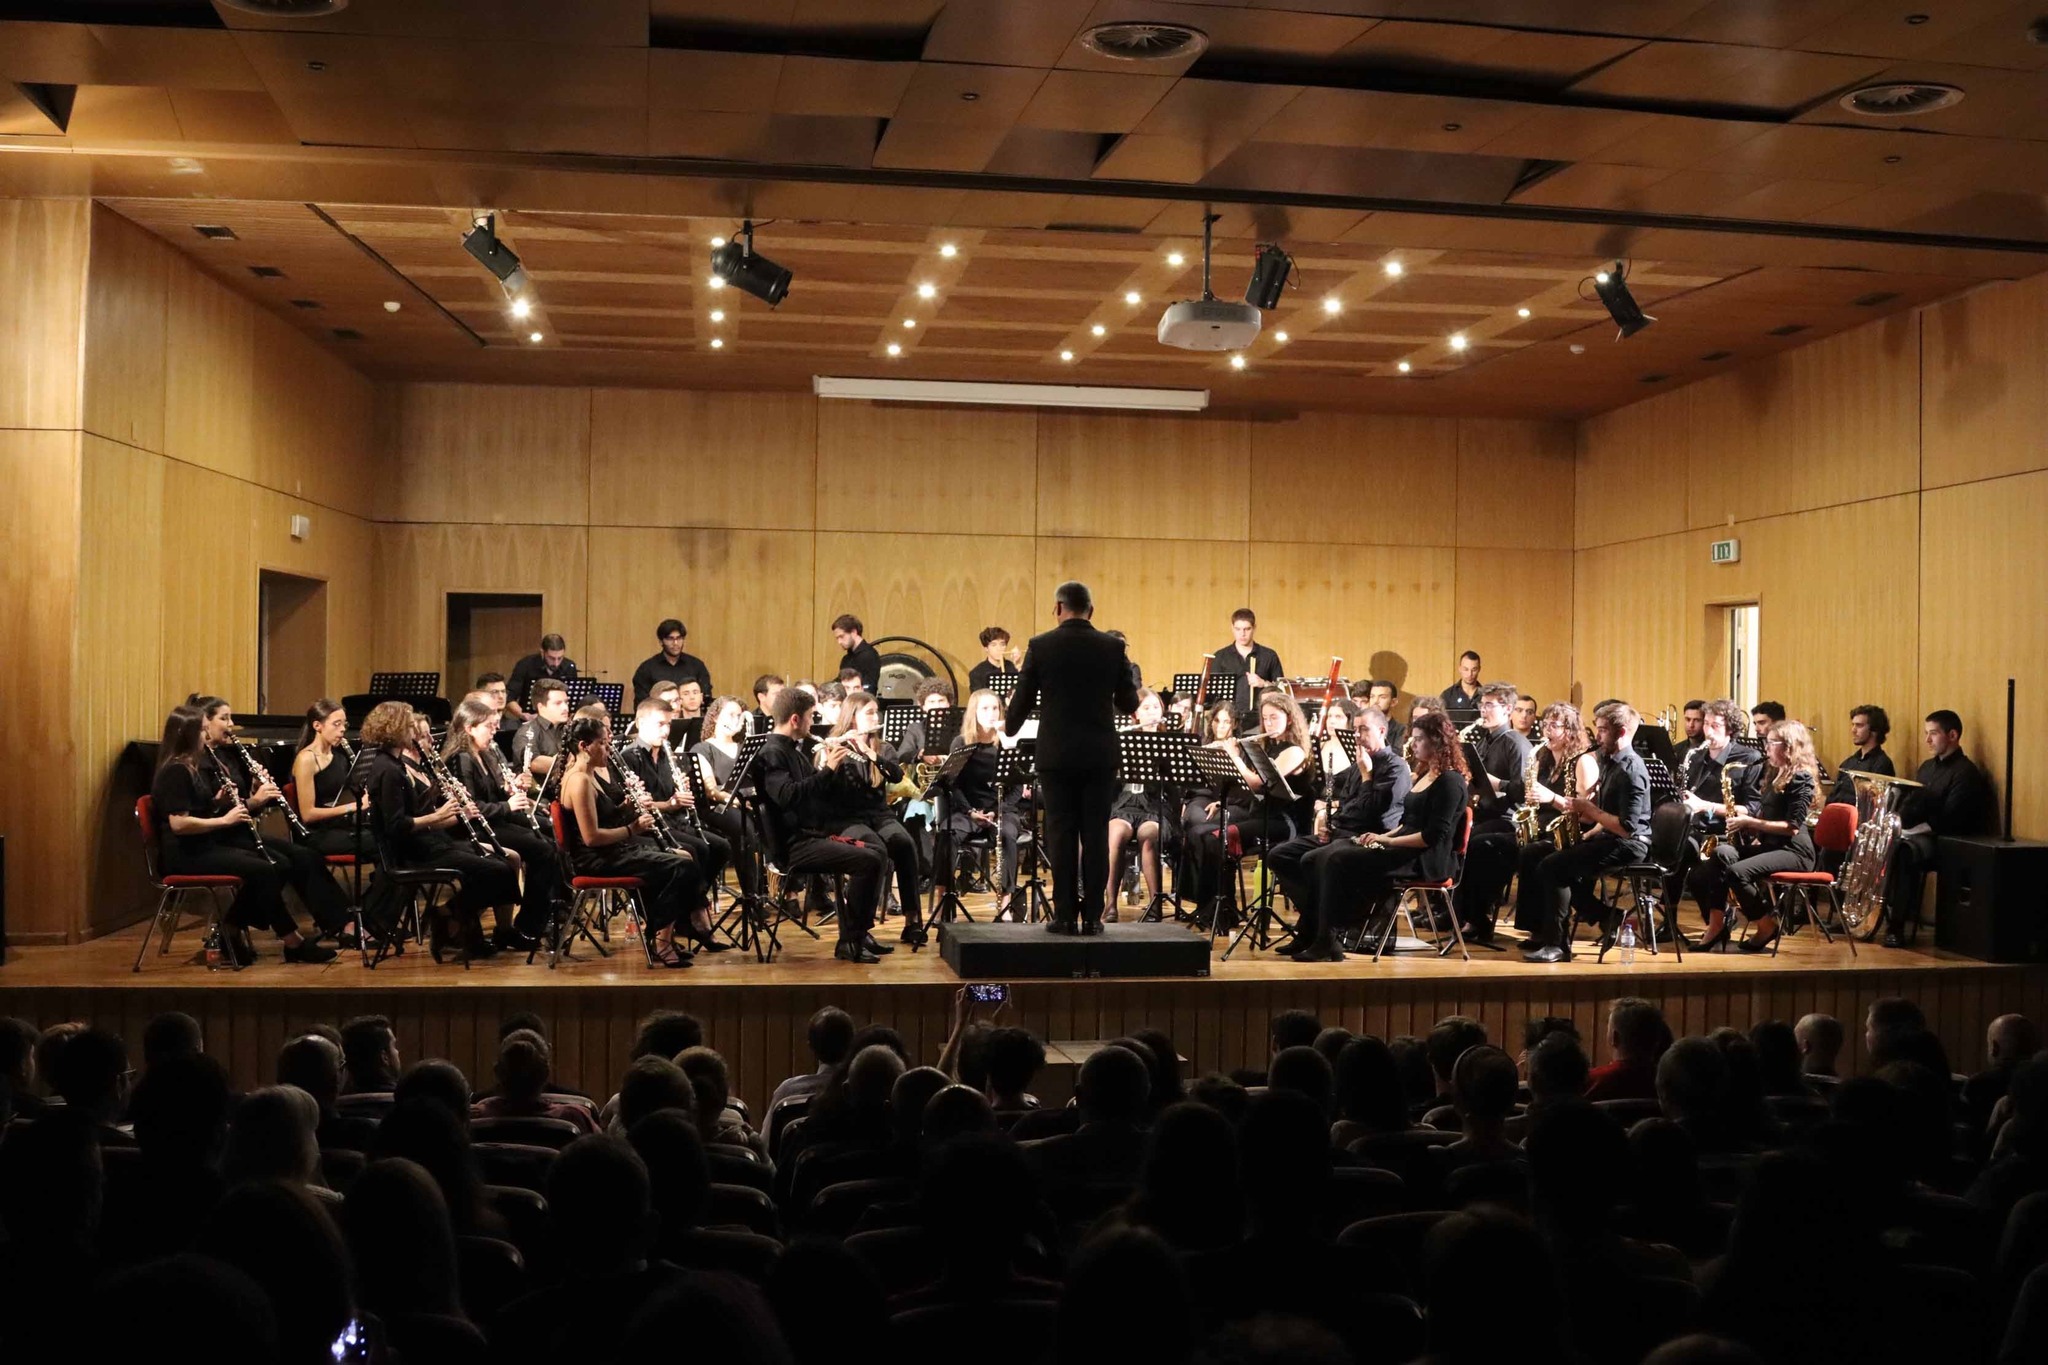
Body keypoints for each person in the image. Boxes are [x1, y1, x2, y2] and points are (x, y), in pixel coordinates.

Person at [149, 705, 335, 965]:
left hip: (202, 845)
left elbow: (198, 809)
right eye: (202, 731)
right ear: (186, 734)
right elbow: (179, 824)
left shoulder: (191, 768)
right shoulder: (176, 771)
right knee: (265, 869)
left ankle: (231, 929)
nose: (206, 736)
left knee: (278, 865)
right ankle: (292, 941)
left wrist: (218, 801)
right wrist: (224, 819)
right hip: (185, 854)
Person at [1004, 581, 1140, 935]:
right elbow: (1130, 703)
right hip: (1099, 756)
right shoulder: (1113, 647)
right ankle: (1093, 917)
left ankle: (1064, 915)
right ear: (1091, 611)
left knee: (1061, 834)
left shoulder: (1040, 646)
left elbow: (1019, 705)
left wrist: (1010, 723)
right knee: (1095, 834)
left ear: (1058, 608)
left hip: (1057, 756)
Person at [1287, 711, 1468, 963]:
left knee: (1337, 860)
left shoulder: (1450, 782)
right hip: (1402, 846)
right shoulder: (1426, 774)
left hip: (1424, 859)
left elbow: (1431, 836)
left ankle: (1328, 939)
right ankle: (1319, 934)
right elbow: (1406, 823)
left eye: (1419, 739)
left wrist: (1388, 841)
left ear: (1437, 741)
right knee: (1313, 858)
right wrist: (1381, 837)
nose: (1412, 744)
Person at [360, 700, 520, 960]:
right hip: (413, 852)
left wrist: (449, 814)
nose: (416, 734)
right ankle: (449, 917)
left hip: (430, 842)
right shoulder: (387, 770)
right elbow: (396, 825)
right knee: (496, 869)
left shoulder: (395, 763)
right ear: (395, 729)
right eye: (410, 727)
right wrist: (439, 815)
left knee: (499, 863)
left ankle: (453, 921)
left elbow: (416, 815)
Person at [558, 714, 704, 969]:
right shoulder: (579, 780)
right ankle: (661, 941)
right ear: (584, 746)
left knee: (683, 856)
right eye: (602, 743)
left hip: (612, 851)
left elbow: (605, 817)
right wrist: (632, 827)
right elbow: (591, 838)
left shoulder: (588, 774)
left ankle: (660, 936)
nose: (608, 748)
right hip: (597, 860)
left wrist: (626, 807)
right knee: (682, 867)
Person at [754, 686, 890, 962]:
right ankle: (850, 940)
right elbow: (788, 796)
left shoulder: (794, 750)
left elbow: (815, 794)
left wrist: (838, 773)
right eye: (810, 717)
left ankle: (858, 933)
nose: (812, 723)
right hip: (795, 845)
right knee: (868, 860)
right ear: (795, 719)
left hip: (814, 835)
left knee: (878, 852)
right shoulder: (772, 753)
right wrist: (827, 769)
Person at [1266, 705, 1410, 954]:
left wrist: (1366, 775)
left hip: (1371, 839)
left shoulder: (1395, 767)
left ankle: (1324, 937)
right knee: (1280, 855)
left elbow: (1372, 812)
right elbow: (1347, 805)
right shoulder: (1358, 764)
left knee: (1319, 860)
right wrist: (1329, 824)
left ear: (1382, 730)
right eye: (1355, 730)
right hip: (1342, 834)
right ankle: (1312, 923)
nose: (1357, 736)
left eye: (1363, 730)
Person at [1524, 701, 1651, 963]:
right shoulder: (1612, 762)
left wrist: (1589, 810)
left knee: (1554, 867)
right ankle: (1606, 916)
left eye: (1603, 730)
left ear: (1623, 732)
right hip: (1608, 837)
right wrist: (1590, 831)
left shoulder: (1631, 770)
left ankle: (1557, 945)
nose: (1598, 735)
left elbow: (1627, 829)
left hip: (1630, 845)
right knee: (1541, 855)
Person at [1688, 718, 1820, 953]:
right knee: (1719, 854)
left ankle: (1766, 925)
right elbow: (1767, 818)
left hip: (1795, 852)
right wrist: (1749, 828)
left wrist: (1751, 821)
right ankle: (1716, 925)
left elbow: (1792, 827)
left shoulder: (1801, 777)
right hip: (1772, 846)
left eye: (1771, 743)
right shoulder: (1775, 774)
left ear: (1788, 746)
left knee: (1738, 873)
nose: (1765, 748)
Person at [618, 699, 733, 954]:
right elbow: (637, 806)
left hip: (671, 821)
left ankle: (688, 912)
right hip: (647, 826)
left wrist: (681, 792)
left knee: (720, 847)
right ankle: (694, 919)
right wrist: (670, 803)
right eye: (660, 724)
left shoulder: (666, 755)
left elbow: (671, 799)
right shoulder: (631, 757)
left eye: (668, 724)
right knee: (695, 851)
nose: (666, 731)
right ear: (640, 723)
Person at [440, 696, 556, 949]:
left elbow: (492, 797)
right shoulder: (461, 758)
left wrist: (511, 791)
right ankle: (528, 925)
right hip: (471, 830)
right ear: (469, 728)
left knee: (547, 840)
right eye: (489, 727)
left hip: (492, 823)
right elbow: (468, 807)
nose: (496, 732)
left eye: (495, 725)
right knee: (542, 851)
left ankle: (523, 924)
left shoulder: (485, 754)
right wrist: (507, 805)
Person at [1882, 709, 1992, 947]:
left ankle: (1896, 927)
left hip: (1948, 842)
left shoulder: (1965, 772)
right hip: (1922, 835)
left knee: (1903, 851)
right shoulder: (1926, 768)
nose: (1927, 740)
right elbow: (1912, 805)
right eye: (1926, 733)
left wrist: (1912, 831)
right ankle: (1875, 916)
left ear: (1952, 735)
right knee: (1882, 843)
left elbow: (1951, 819)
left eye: (1933, 734)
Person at [823, 691, 918, 947]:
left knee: (904, 844)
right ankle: (860, 930)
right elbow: (824, 790)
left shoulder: (883, 747)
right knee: (875, 850)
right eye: (869, 712)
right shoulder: (834, 745)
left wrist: (868, 751)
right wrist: (828, 762)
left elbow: (897, 776)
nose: (875, 717)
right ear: (852, 717)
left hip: (879, 815)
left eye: (876, 712)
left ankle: (913, 922)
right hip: (847, 819)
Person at [1453, 683, 1533, 942]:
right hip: (1487, 814)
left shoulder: (1515, 743)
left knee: (1475, 845)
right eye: (1482, 705)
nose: (1483, 710)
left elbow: (1523, 790)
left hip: (1509, 820)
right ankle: (1456, 911)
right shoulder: (1486, 740)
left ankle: (1476, 917)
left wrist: (1496, 783)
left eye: (1489, 705)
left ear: (1507, 709)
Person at [1105, 689, 1171, 923]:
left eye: (1156, 707)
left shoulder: (1170, 742)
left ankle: (1155, 905)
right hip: (1124, 804)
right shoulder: (1123, 739)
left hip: (1154, 806)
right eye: (1146, 708)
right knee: (1115, 834)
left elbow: (1176, 787)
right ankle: (1110, 904)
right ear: (1135, 715)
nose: (1152, 712)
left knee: (1149, 836)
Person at [691, 694, 763, 900]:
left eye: (739, 716)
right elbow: (710, 790)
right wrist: (735, 800)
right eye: (730, 715)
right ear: (715, 717)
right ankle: (752, 895)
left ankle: (777, 888)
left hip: (744, 803)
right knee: (744, 828)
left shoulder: (745, 747)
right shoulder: (703, 748)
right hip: (716, 807)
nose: (735, 721)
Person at [289, 698, 368, 863]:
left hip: (340, 827)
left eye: (344, 725)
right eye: (336, 724)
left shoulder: (339, 755)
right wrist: (354, 806)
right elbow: (308, 815)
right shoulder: (306, 759)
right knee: (383, 844)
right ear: (317, 726)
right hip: (317, 834)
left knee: (390, 836)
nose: (342, 730)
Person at [631, 618, 711, 705]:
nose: (676, 643)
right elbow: (642, 704)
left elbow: (705, 698)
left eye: (679, 638)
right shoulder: (646, 669)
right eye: (670, 639)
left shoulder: (696, 665)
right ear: (661, 642)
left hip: (690, 717)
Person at [1212, 608, 1285, 703]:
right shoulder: (1220, 656)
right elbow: (1213, 695)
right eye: (1238, 629)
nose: (1242, 634)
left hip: (1261, 713)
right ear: (1232, 628)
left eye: (1247, 629)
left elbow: (1282, 691)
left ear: (1254, 628)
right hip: (1229, 714)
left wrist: (1264, 683)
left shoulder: (1269, 655)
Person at [513, 677, 572, 785]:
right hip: (540, 796)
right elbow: (534, 762)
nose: (565, 708)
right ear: (541, 707)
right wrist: (576, 764)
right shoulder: (527, 731)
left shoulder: (568, 729)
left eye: (566, 702)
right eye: (558, 703)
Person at [506, 633, 577, 722]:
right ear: (542, 652)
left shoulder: (569, 666)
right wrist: (523, 715)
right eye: (551, 658)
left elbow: (572, 697)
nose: (556, 663)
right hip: (532, 719)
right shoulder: (526, 665)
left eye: (560, 658)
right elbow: (509, 697)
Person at [830, 614, 881, 691]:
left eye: (841, 636)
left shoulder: (869, 655)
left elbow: (869, 688)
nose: (839, 642)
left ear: (854, 632)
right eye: (837, 638)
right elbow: (840, 682)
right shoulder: (846, 659)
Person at [969, 626, 1019, 694]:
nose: (999, 648)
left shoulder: (1013, 668)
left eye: (1002, 644)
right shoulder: (977, 673)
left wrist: (1018, 664)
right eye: (993, 645)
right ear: (986, 648)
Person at [1439, 650, 1483, 727]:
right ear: (1460, 669)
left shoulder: (1485, 696)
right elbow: (1439, 722)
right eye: (1466, 669)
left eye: (1474, 669)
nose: (1470, 674)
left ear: (1479, 669)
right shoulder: (1448, 695)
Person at [1671, 700, 1706, 772]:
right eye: (1688, 719)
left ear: (1705, 722)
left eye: (1697, 720)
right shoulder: (1676, 750)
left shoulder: (1712, 752)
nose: (1691, 725)